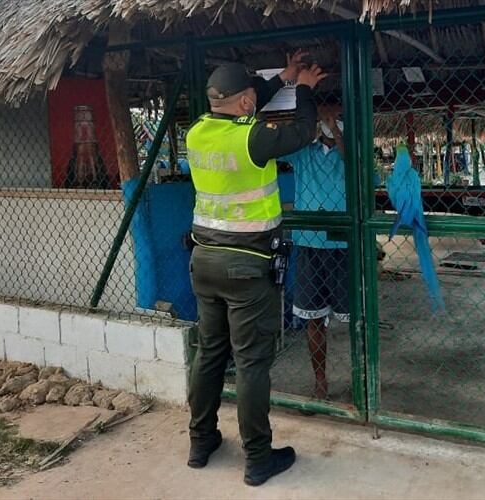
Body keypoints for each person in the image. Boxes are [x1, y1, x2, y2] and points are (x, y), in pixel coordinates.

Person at [184, 54, 327, 486]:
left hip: (204, 261)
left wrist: (283, 77)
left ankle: (200, 442)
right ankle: (259, 458)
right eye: (251, 97)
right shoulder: (253, 139)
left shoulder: (197, 132)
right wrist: (304, 89)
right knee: (251, 363)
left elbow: (245, 101)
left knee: (210, 353)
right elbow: (303, 131)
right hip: (246, 266)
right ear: (245, 102)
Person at [279, 104, 348, 401]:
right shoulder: (305, 154)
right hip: (309, 243)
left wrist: (338, 133)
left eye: (337, 118)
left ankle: (362, 377)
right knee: (313, 318)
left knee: (355, 317)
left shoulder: (352, 152)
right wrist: (310, 129)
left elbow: (358, 168)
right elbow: (278, 149)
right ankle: (320, 380)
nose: (331, 123)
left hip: (343, 245)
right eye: (326, 118)